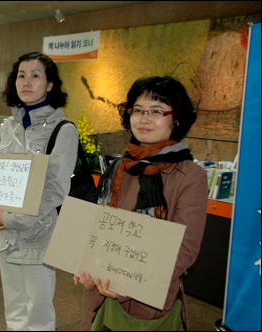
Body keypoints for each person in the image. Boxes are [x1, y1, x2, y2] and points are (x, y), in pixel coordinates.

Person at [75, 76, 208, 331]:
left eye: (157, 111)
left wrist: (123, 281)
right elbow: (99, 227)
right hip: (102, 295)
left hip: (149, 304)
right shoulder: (118, 167)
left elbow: (185, 249)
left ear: (176, 118)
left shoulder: (190, 175)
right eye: (138, 110)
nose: (144, 118)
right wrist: (86, 264)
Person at [0, 52, 79, 331]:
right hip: (5, 235)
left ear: (50, 85)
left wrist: (11, 218)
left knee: (38, 312)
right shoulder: (8, 126)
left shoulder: (63, 130)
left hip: (38, 235)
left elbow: (55, 189)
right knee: (13, 308)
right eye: (21, 75)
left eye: (35, 75)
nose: (27, 81)